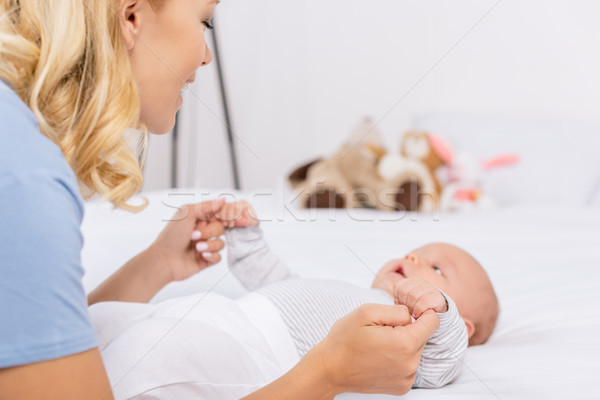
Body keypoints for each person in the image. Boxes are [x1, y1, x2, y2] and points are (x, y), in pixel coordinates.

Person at [0, 1, 440, 398]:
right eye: (204, 21)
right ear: (131, 17)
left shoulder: (18, 146)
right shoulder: (26, 180)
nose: (206, 54)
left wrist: (155, 266)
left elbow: (31, 347)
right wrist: (327, 375)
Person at [220, 200, 499, 386]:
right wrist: (247, 241)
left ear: (461, 325)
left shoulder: (410, 341)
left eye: (437, 268)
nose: (412, 258)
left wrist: (443, 316)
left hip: (254, 355)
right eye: (415, 253)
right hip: (225, 314)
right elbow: (275, 280)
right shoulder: (352, 295)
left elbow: (443, 364)